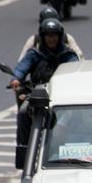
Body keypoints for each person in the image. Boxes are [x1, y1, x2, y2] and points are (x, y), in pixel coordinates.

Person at [10, 18, 80, 147]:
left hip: (62, 96)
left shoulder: (68, 55)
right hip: (37, 96)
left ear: (60, 37)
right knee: (24, 112)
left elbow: (75, 69)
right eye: (48, 36)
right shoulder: (34, 54)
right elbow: (22, 67)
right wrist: (16, 79)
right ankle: (24, 149)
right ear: (42, 37)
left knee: (77, 116)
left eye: (54, 36)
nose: (51, 39)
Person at [19, 6, 84, 60]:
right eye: (48, 34)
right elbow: (22, 60)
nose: (51, 39)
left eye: (54, 35)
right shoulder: (34, 40)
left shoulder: (67, 39)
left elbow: (80, 57)